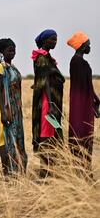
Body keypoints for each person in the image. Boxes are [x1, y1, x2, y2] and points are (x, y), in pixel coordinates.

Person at [31, 29, 65, 178]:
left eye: (56, 39)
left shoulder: (48, 57)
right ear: (44, 41)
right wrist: (50, 104)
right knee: (46, 134)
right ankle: (44, 170)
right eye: (52, 39)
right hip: (46, 102)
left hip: (51, 101)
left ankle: (50, 169)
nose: (55, 42)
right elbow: (44, 82)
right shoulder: (41, 57)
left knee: (52, 134)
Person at [0, 38, 27, 176]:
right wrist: (3, 112)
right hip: (6, 108)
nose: (12, 52)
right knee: (6, 138)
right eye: (9, 50)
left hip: (16, 109)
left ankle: (17, 168)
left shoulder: (12, 68)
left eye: (14, 49)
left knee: (17, 137)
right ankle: (7, 171)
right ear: (2, 51)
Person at [67, 31, 99, 178]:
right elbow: (81, 87)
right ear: (81, 45)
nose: (90, 47)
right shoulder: (77, 61)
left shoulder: (80, 61)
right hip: (80, 103)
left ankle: (86, 170)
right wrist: (91, 100)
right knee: (80, 132)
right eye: (88, 44)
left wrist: (95, 99)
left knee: (85, 133)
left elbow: (88, 85)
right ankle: (81, 171)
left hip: (84, 101)